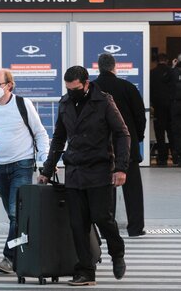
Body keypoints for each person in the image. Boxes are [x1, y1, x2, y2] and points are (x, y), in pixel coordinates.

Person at [38, 65, 131, 286]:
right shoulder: (65, 103)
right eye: (68, 89)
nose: (72, 92)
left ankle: (117, 253)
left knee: (102, 218)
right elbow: (59, 138)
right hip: (75, 171)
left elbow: (121, 133)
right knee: (77, 225)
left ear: (87, 83)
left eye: (76, 88)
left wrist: (121, 168)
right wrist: (47, 170)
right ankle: (86, 272)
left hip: (99, 169)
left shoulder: (104, 101)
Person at [0, 68, 50, 274]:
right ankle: (24, 248)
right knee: (14, 214)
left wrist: (45, 161)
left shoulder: (23, 104)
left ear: (9, 85)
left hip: (22, 164)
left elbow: (40, 133)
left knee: (15, 212)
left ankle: (9, 258)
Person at [92, 53, 147, 237]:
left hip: (101, 148)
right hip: (127, 146)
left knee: (106, 191)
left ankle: (108, 230)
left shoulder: (92, 89)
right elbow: (140, 116)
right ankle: (136, 228)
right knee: (133, 190)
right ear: (115, 67)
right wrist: (136, 137)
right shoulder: (128, 87)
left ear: (98, 68)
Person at [150, 53, 174, 166]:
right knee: (172, 132)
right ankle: (176, 156)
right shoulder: (172, 72)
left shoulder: (152, 73)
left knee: (159, 134)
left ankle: (162, 158)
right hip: (171, 107)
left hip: (158, 107)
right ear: (167, 60)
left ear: (157, 61)